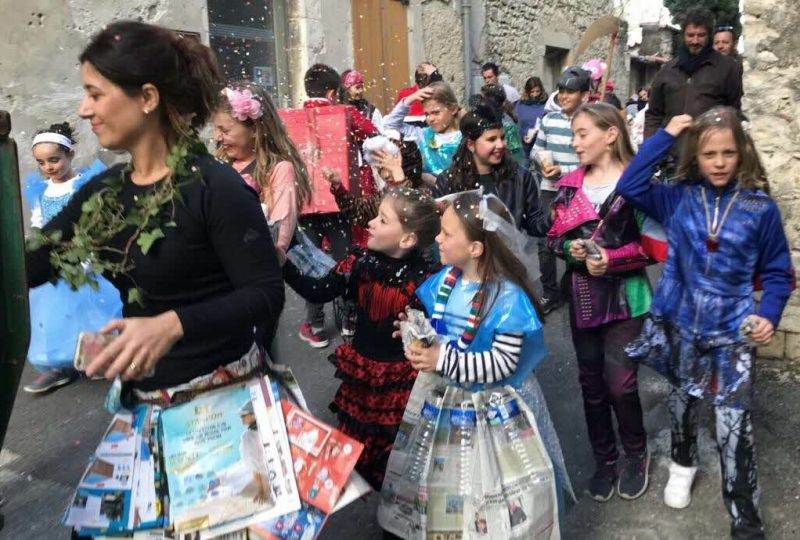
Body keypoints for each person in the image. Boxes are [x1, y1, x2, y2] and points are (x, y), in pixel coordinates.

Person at [26, 21, 284, 402]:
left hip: (222, 406)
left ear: (147, 98)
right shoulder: (105, 192)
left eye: (95, 94)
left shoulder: (215, 187)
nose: (84, 110)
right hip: (145, 402)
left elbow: (265, 293)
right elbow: (34, 264)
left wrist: (172, 325)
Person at [618, 108, 793, 539]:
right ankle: (683, 461)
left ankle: (746, 521)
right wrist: (666, 135)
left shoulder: (759, 208)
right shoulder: (677, 197)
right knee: (683, 401)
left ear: (742, 154)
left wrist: (769, 314)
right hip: (681, 323)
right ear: (695, 155)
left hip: (733, 329)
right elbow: (630, 184)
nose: (718, 162)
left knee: (735, 425)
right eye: (709, 153)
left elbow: (777, 272)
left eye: (728, 153)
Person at [379, 192, 571, 538]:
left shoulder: (507, 297)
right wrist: (417, 332)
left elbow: (502, 364)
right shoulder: (445, 282)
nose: (437, 238)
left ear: (476, 249)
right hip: (443, 401)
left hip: (492, 410)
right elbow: (440, 328)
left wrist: (442, 358)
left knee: (485, 486)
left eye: (447, 233)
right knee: (441, 483)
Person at [282, 188, 440, 489]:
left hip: (403, 382)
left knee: (401, 457)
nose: (370, 223)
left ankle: (400, 517)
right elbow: (319, 291)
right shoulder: (358, 262)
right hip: (364, 375)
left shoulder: (428, 280)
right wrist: (283, 264)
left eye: (382, 220)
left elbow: (440, 332)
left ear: (407, 239)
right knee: (359, 454)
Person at [546, 103, 652, 502]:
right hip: (584, 299)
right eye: (573, 135)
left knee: (620, 385)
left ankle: (636, 453)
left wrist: (614, 260)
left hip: (628, 300)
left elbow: (655, 246)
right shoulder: (569, 186)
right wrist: (569, 249)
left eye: (582, 134)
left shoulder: (636, 184)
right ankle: (604, 459)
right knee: (591, 385)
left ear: (610, 134)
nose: (574, 143)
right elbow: (553, 238)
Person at [22, 122, 122, 394]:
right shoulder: (40, 190)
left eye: (54, 159)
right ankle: (57, 364)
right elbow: (40, 221)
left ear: (70, 154)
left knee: (91, 309)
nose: (49, 167)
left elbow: (93, 218)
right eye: (42, 162)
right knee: (55, 312)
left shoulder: (84, 183)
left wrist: (91, 249)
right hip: (56, 259)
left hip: (84, 253)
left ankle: (99, 357)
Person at [297, 63, 380, 348]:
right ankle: (349, 321)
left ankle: (314, 323)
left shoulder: (293, 118)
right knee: (346, 260)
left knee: (311, 263)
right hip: (338, 200)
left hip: (304, 204)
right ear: (333, 92)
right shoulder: (345, 113)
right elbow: (373, 132)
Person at [213, 81, 312, 256]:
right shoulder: (220, 164)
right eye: (216, 129)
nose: (217, 137)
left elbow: (278, 236)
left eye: (225, 130)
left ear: (254, 129)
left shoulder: (277, 170)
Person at [644, 9, 743, 168]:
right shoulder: (667, 72)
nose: (695, 41)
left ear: (709, 36)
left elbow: (735, 112)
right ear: (683, 36)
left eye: (701, 35)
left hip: (712, 161)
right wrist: (650, 151)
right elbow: (654, 115)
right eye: (690, 35)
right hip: (671, 161)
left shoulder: (728, 69)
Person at [434, 105, 550, 239]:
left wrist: (551, 218)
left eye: (502, 137)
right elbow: (439, 229)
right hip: (464, 257)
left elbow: (534, 223)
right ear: (470, 144)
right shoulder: (448, 180)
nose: (500, 145)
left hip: (507, 256)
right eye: (491, 139)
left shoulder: (520, 176)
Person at [531, 66, 590, 315]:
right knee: (545, 243)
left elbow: (591, 162)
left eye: (571, 91)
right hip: (549, 189)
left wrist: (563, 170)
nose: (564, 96)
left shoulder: (590, 122)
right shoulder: (548, 119)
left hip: (579, 191)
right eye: (562, 90)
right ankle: (550, 293)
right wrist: (542, 163)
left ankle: (572, 287)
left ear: (585, 95)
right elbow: (536, 149)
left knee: (576, 240)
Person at [325, 136, 426, 228]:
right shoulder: (386, 192)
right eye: (380, 168)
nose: (386, 175)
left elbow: (405, 210)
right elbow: (361, 213)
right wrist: (338, 187)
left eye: (391, 167)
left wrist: (399, 177)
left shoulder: (424, 195)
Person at [383, 81, 462, 182]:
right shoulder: (422, 135)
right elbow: (390, 124)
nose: (430, 118)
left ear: (453, 109)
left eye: (436, 112)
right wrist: (410, 99)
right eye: (426, 114)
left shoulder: (465, 138)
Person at [480, 83, 526, 166]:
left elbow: (516, 156)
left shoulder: (508, 124)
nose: (482, 103)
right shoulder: (486, 121)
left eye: (484, 100)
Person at [514, 76, 548, 163]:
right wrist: (523, 135)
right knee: (523, 169)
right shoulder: (520, 105)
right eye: (532, 92)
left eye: (537, 91)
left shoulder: (547, 104)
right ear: (527, 92)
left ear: (541, 91)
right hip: (525, 143)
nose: (535, 94)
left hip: (542, 143)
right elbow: (517, 123)